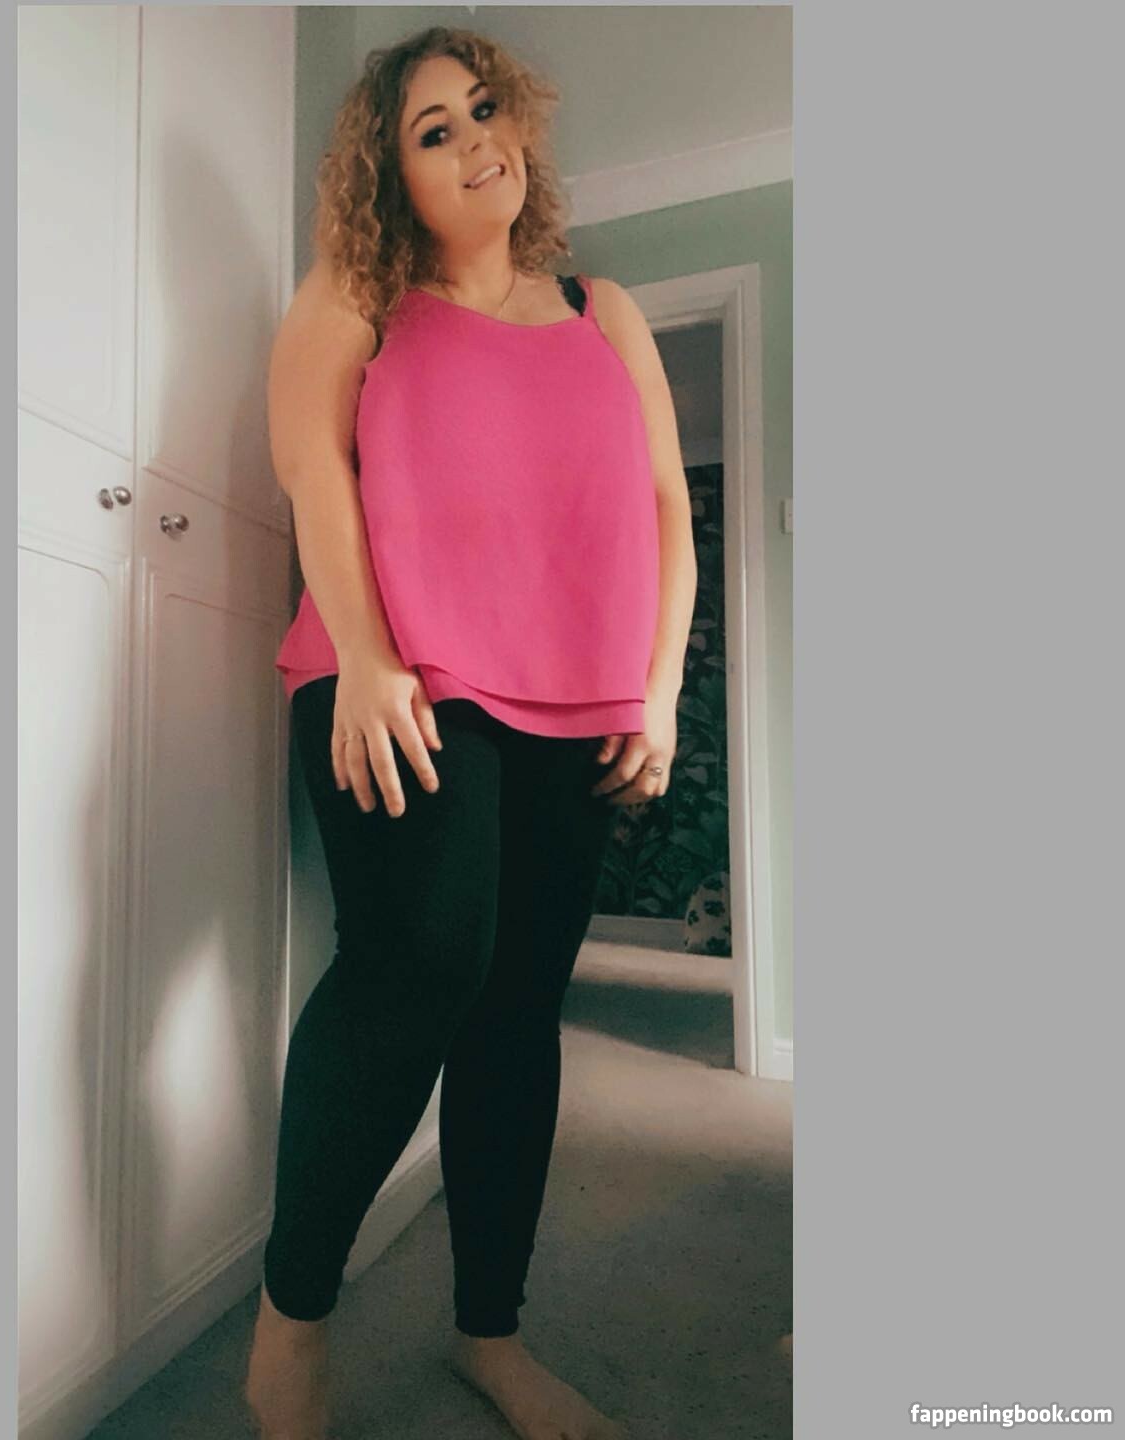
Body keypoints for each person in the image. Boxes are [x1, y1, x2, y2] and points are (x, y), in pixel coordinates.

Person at [245, 25, 697, 1440]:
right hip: (402, 679)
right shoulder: (361, 290)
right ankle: (290, 1327)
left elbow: (669, 511)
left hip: (577, 696)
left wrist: (661, 690)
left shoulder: (605, 309)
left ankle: (489, 1335)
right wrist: (370, 656)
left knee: (518, 1007)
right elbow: (309, 464)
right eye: (431, 130)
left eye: (484, 109)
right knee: (420, 961)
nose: (473, 139)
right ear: (393, 176)